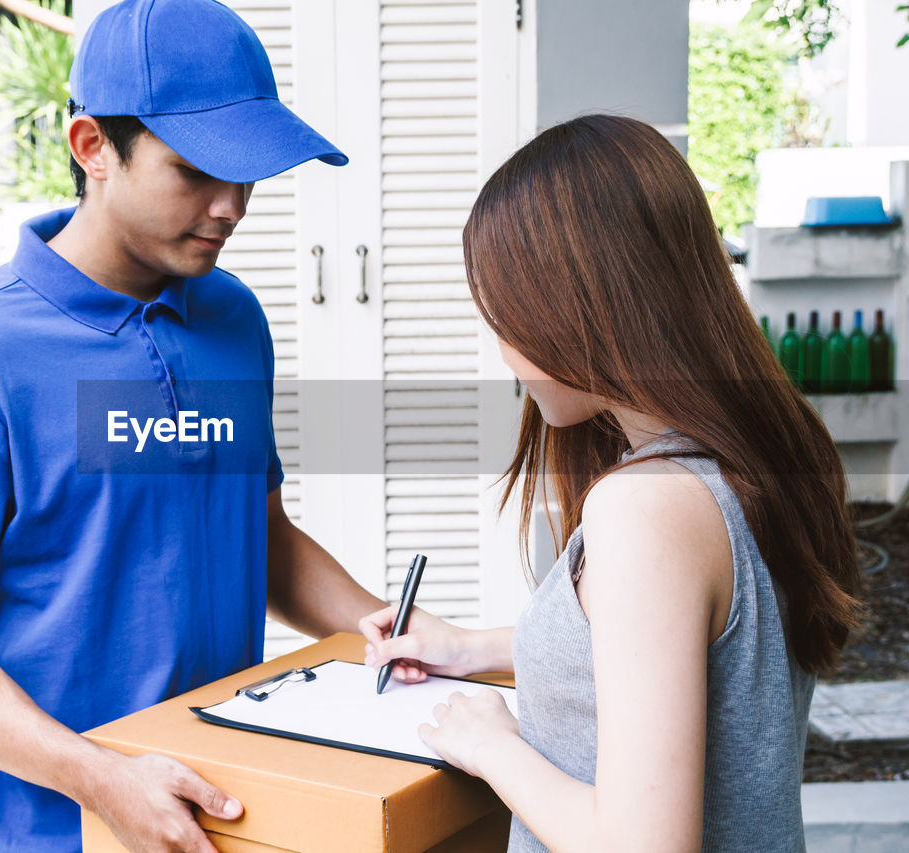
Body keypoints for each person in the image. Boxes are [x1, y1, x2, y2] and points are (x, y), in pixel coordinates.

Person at [0, 1, 385, 850]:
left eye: (247, 175)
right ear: (93, 147)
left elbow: (262, 532)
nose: (231, 207)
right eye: (195, 171)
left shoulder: (233, 319)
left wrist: (381, 629)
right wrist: (98, 778)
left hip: (228, 809)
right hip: (58, 827)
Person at [362, 114, 863, 852]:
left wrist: (492, 744)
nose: (502, 347)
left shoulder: (643, 508)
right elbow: (676, 649)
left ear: (575, 305)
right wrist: (471, 647)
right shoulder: (752, 464)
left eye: (502, 314)